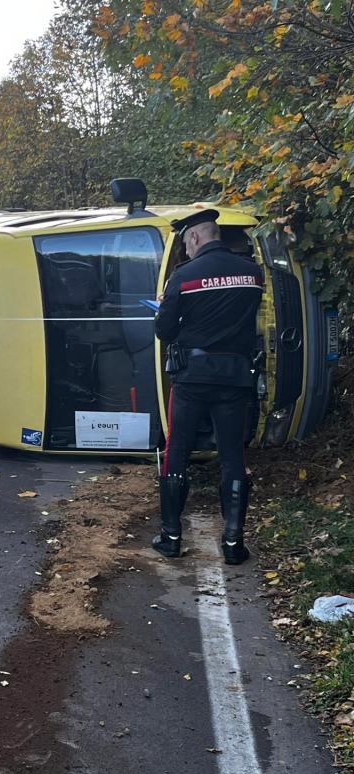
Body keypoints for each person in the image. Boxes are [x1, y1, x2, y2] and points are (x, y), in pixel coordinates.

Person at [152, 209, 263, 565]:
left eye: (185, 242)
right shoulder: (253, 273)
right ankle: (233, 544)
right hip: (234, 378)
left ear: (196, 237)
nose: (185, 249)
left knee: (177, 453)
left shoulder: (183, 276)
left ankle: (170, 538)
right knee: (232, 457)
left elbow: (164, 331)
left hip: (191, 380)